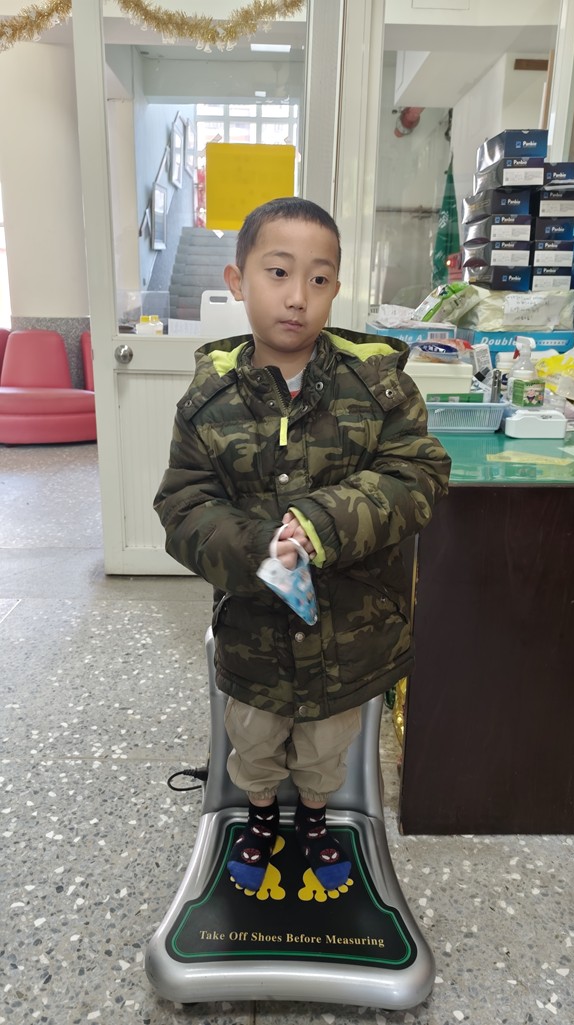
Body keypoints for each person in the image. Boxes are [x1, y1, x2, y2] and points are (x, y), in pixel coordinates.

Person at [154, 197, 451, 895]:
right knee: (254, 741)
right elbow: (184, 505)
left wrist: (321, 523)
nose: (297, 297)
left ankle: (315, 821)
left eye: (318, 279)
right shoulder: (209, 400)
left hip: (351, 631)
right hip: (254, 633)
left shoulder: (377, 385)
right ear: (237, 280)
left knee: (325, 747)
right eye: (279, 272)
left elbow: (417, 475)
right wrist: (262, 548)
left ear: (336, 287)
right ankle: (259, 817)